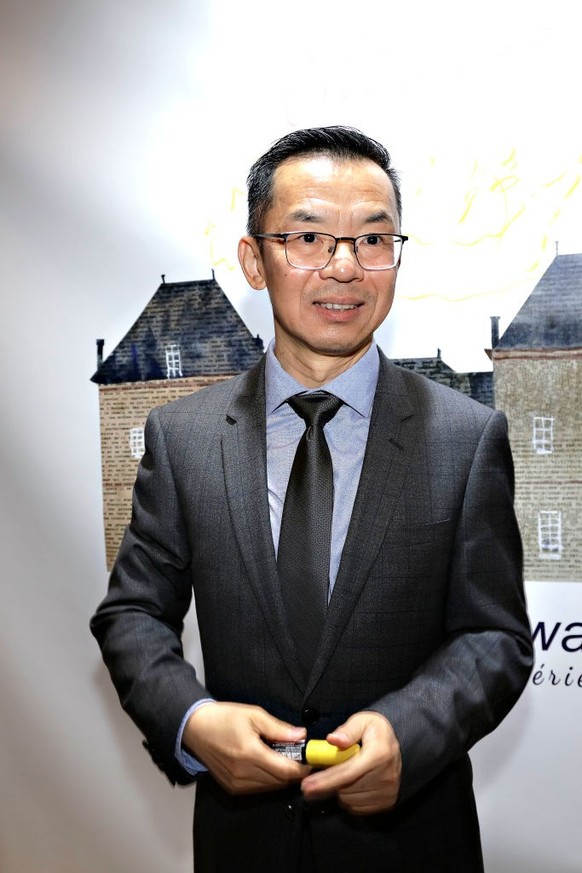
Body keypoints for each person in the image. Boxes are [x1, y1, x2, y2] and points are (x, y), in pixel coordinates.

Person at [91, 125, 533, 872]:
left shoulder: (467, 436)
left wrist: (410, 730)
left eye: (372, 239)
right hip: (243, 844)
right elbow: (132, 614)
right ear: (254, 260)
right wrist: (193, 720)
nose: (345, 267)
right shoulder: (183, 438)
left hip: (412, 841)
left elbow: (495, 638)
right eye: (308, 237)